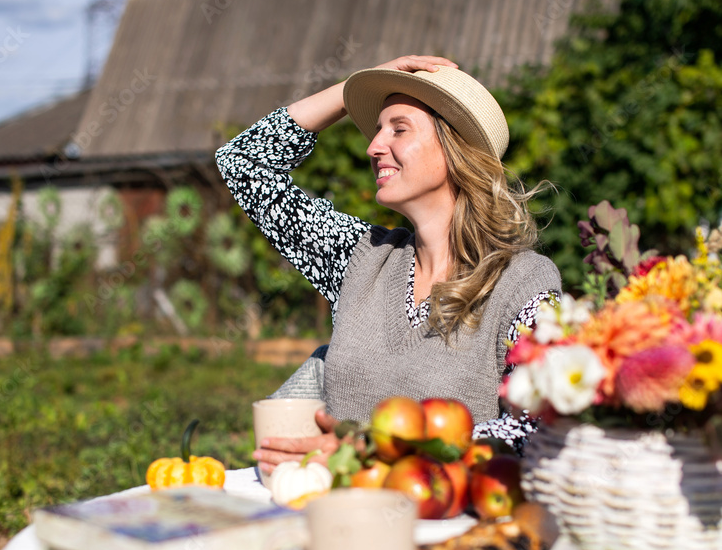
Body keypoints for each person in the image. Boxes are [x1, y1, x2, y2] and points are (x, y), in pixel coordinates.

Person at [215, 55, 561, 475]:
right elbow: (244, 164)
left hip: (441, 527)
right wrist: (352, 90)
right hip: (337, 512)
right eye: (377, 130)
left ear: (454, 150)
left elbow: (534, 429)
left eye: (398, 129)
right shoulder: (361, 259)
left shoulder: (522, 282)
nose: (373, 147)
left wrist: (371, 454)